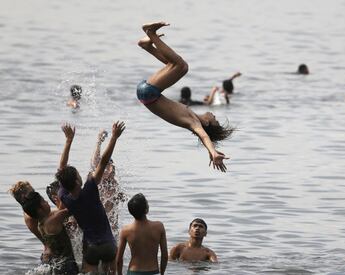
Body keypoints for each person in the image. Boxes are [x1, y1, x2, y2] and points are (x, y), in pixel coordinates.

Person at [136, 22, 234, 172]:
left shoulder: (194, 123)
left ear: (207, 124)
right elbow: (205, 138)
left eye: (215, 120)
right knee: (174, 65)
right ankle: (147, 45)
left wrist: (213, 152)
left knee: (182, 66)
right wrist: (210, 152)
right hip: (147, 94)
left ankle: (151, 34)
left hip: (149, 92)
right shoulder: (193, 117)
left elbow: (205, 137)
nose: (215, 116)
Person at [56, 121, 125, 274]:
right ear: (77, 181)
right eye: (78, 175)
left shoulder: (64, 196)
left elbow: (61, 169)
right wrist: (114, 137)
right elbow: (102, 162)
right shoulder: (90, 189)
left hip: (90, 247)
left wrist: (68, 141)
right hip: (108, 245)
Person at [8, 124, 76, 263]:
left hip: (52, 254)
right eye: (32, 192)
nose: (36, 195)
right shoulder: (32, 215)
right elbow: (64, 213)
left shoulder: (33, 213)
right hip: (54, 255)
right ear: (24, 198)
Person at [22, 191, 79, 274]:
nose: (47, 202)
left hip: (55, 263)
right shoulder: (54, 219)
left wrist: (60, 205)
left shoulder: (41, 223)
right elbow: (74, 208)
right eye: (44, 201)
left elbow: (57, 215)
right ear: (40, 210)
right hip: (67, 265)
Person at [116, 193, 168, 275]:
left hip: (133, 271)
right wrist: (162, 273)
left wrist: (119, 274)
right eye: (147, 202)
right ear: (146, 209)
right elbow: (164, 256)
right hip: (153, 271)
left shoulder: (126, 230)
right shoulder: (159, 227)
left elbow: (119, 259)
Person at [90, 129, 127, 240]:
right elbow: (95, 162)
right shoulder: (98, 182)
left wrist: (121, 197)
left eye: (112, 166)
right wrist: (99, 142)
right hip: (98, 229)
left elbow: (121, 199)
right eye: (108, 166)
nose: (111, 169)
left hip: (112, 231)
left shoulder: (114, 184)